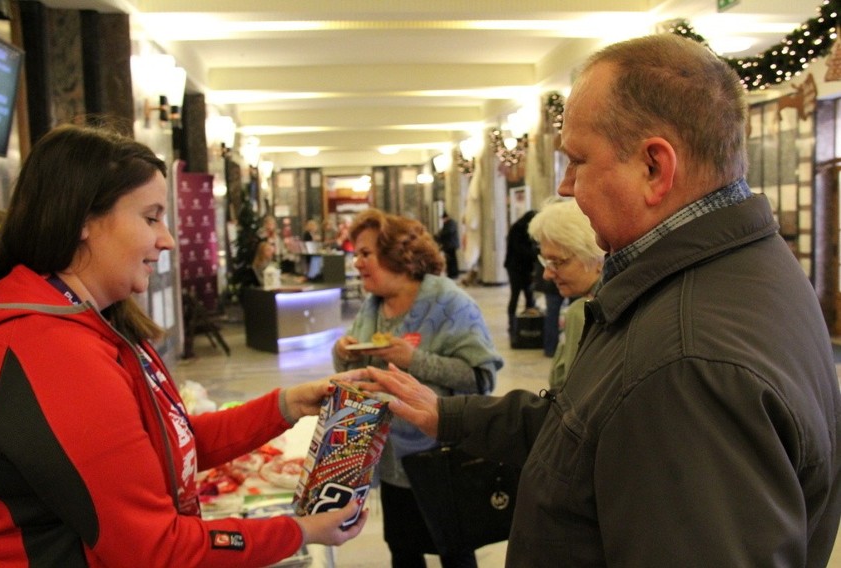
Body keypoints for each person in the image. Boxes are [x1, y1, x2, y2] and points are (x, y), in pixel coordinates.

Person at [360, 34, 841, 566]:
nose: (565, 186)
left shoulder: (686, 365)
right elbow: (588, 429)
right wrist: (449, 416)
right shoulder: (736, 269)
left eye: (579, 161)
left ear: (654, 168)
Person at [0, 124, 369, 566]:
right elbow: (156, 550)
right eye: (151, 217)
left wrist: (285, 405)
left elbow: (167, 447)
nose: (167, 239)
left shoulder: (91, 322)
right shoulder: (51, 351)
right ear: (83, 222)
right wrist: (296, 531)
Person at [331, 208, 503, 568]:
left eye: (365, 253)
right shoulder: (373, 305)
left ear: (398, 256)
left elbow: (481, 377)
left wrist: (414, 359)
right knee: (403, 550)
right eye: (356, 253)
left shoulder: (451, 304)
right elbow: (362, 375)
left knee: (454, 550)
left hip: (441, 460)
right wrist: (342, 354)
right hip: (391, 457)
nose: (357, 262)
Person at [528, 199, 603, 389]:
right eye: (545, 262)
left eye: (558, 262)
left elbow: (567, 393)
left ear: (597, 258)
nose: (547, 274)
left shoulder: (583, 312)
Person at [503, 210, 538, 331]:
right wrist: (535, 253)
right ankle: (512, 324)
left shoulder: (522, 228)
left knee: (529, 296)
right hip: (515, 269)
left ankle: (529, 324)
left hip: (524, 268)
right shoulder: (518, 229)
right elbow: (520, 249)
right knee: (516, 295)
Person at [435, 212, 460, 279]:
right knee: (450, 260)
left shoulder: (451, 223)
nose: (443, 220)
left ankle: (453, 274)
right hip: (449, 245)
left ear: (446, 217)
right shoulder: (448, 223)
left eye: (443, 218)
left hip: (451, 245)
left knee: (452, 260)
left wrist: (439, 235)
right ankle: (451, 273)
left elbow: (447, 232)